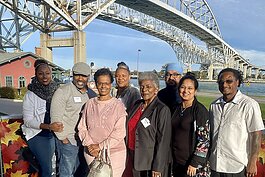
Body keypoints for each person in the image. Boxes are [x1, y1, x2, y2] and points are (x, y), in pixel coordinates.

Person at [209, 68, 264, 177]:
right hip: (215, 164)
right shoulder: (213, 106)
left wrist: (252, 162)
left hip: (236, 166)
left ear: (238, 82)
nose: (224, 85)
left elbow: (256, 134)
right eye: (221, 82)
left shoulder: (249, 105)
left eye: (229, 81)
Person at [78, 68, 127, 177]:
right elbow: (82, 127)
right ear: (95, 84)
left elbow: (119, 132)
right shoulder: (89, 104)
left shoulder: (118, 106)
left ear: (111, 84)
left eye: (106, 83)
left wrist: (100, 146)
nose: (103, 86)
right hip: (92, 153)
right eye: (100, 83)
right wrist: (90, 145)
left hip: (114, 154)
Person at [51, 62, 97, 177]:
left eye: (84, 76)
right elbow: (55, 118)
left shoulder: (91, 94)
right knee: (66, 173)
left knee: (83, 172)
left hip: (85, 142)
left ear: (88, 77)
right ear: (72, 75)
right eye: (77, 75)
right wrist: (63, 139)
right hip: (68, 142)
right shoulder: (62, 91)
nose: (80, 78)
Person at [123, 71, 172, 177]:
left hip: (149, 162)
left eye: (148, 87)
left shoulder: (162, 109)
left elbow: (163, 141)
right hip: (132, 156)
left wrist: (158, 167)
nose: (144, 90)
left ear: (156, 89)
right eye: (142, 86)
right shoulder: (136, 105)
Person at [22, 59, 64, 177]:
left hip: (56, 133)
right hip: (38, 134)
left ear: (51, 74)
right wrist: (49, 127)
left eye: (47, 73)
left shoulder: (57, 90)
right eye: (41, 74)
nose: (44, 77)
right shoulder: (30, 94)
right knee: (47, 169)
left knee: (61, 166)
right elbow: (28, 121)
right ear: (36, 75)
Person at [171, 74, 210, 177]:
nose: (185, 91)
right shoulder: (175, 109)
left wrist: (195, 163)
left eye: (190, 88)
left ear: (195, 91)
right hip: (176, 163)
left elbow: (204, 140)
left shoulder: (199, 111)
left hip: (192, 166)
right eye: (183, 87)